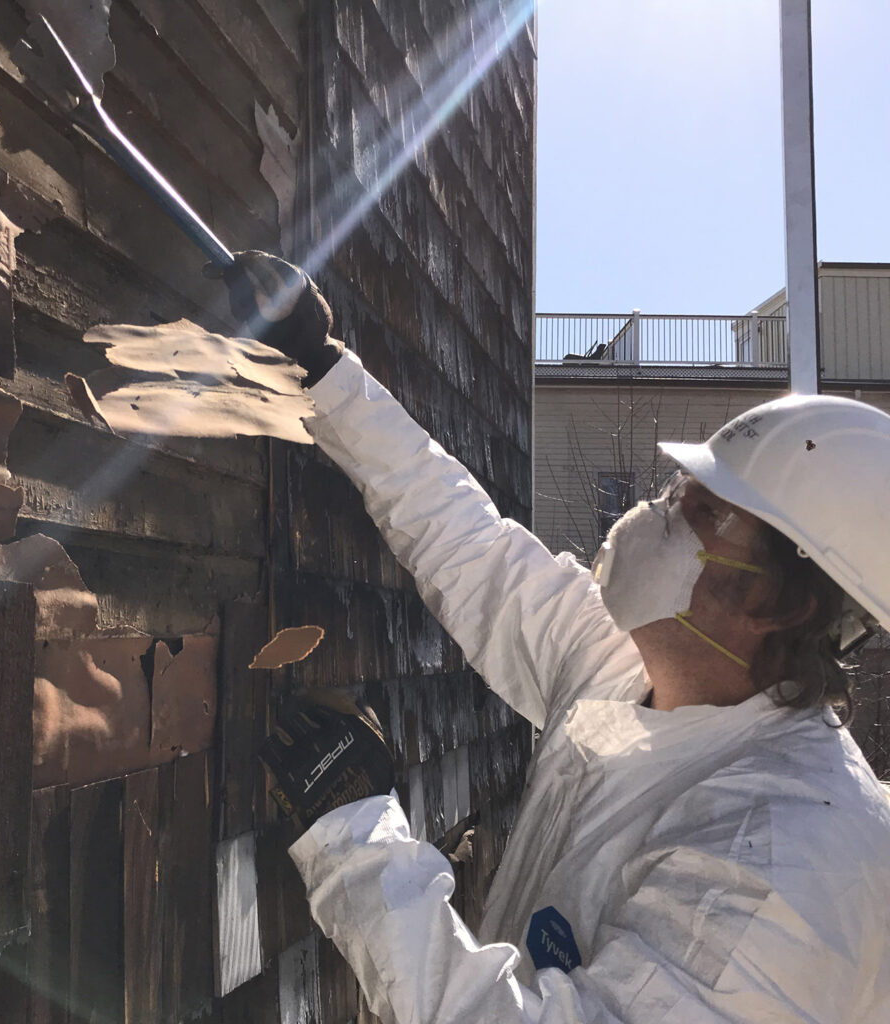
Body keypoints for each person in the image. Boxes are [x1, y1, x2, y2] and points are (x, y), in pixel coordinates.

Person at [226, 251, 890, 1023]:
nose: (655, 514)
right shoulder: (622, 663)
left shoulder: (787, 860)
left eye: (705, 513)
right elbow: (470, 546)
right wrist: (326, 369)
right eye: (677, 491)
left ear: (782, 602)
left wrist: (358, 840)